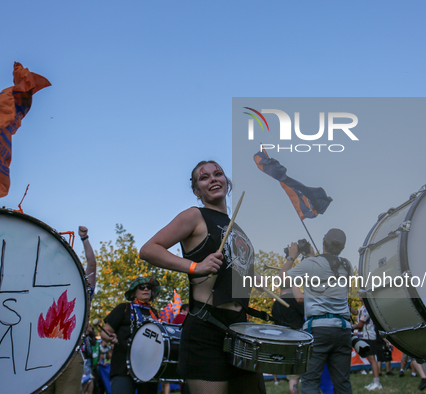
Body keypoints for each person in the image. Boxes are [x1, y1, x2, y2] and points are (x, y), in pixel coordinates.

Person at [139, 160, 266, 394]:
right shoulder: (194, 216)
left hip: (240, 328)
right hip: (206, 328)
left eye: (218, 174)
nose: (213, 179)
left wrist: (251, 277)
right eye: (204, 177)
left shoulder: (236, 227)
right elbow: (149, 249)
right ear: (196, 190)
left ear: (227, 182)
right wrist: (195, 267)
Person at [286, 228, 353, 394]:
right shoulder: (347, 265)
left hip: (319, 329)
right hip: (343, 328)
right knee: (342, 382)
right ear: (342, 248)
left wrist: (291, 257)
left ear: (323, 242)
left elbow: (283, 279)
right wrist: (312, 257)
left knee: (310, 381)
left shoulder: (311, 264)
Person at [44, 226, 97, 394]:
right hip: (40, 352)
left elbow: (92, 265)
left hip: (70, 355)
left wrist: (85, 239)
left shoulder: (81, 291)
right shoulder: (41, 289)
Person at [100, 277, 161, 394]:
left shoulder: (154, 313)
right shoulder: (123, 308)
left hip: (148, 370)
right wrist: (109, 336)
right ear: (133, 292)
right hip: (123, 368)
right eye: (142, 287)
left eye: (149, 288)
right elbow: (105, 331)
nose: (146, 289)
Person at [273, 242, 307, 394]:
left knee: (293, 377)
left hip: (285, 342)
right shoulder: (294, 300)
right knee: (306, 376)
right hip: (300, 340)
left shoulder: (276, 305)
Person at [353, 299, 382, 390]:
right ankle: (375, 381)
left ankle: (377, 382)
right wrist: (349, 307)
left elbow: (360, 325)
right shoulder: (363, 307)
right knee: (371, 359)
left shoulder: (367, 309)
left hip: (369, 336)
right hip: (365, 336)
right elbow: (357, 312)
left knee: (372, 359)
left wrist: (349, 326)